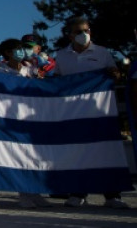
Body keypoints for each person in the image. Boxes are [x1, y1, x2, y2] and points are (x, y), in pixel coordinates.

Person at [52, 18, 128, 209]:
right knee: (77, 152)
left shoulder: (102, 52)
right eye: (78, 31)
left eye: (86, 30)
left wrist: (114, 73)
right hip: (73, 113)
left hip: (101, 112)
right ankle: (78, 193)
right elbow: (57, 81)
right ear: (70, 35)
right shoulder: (61, 56)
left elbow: (115, 73)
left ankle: (112, 195)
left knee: (106, 151)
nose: (84, 34)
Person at [0, 39, 52, 209]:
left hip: (32, 118)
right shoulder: (1, 71)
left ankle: (36, 192)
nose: (22, 52)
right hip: (12, 119)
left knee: (35, 157)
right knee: (20, 157)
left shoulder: (30, 69)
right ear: (8, 53)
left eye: (22, 49)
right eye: (17, 49)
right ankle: (23, 193)